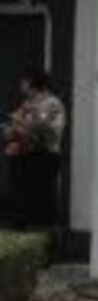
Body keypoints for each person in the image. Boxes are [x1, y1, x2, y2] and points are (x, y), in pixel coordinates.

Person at [5, 68, 65, 232]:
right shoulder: (28, 104)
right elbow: (16, 126)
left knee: (42, 197)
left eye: (24, 82)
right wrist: (10, 129)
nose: (21, 85)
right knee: (21, 197)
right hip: (24, 155)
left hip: (43, 156)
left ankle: (46, 233)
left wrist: (20, 122)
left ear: (33, 83)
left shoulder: (51, 103)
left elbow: (42, 129)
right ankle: (21, 231)